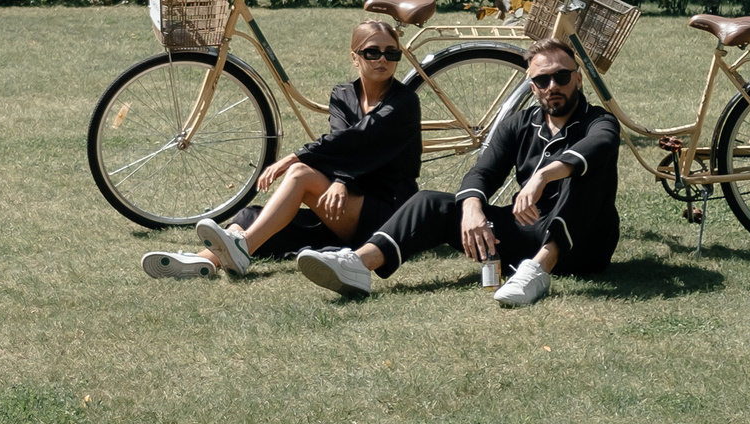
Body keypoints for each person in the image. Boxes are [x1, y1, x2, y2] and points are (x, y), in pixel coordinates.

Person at [293, 38, 618, 307]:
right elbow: (482, 172)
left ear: (578, 78)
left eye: (561, 77)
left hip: (584, 244)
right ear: (532, 87)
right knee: (432, 202)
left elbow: (597, 147)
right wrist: (472, 209)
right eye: (541, 80)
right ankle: (359, 264)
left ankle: (537, 271)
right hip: (526, 230)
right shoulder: (520, 123)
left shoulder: (599, 122)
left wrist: (543, 175)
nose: (552, 86)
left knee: (585, 173)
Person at [140, 18, 423, 279]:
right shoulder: (343, 94)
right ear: (355, 56)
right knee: (253, 217)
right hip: (345, 203)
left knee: (300, 173)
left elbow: (362, 139)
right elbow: (341, 140)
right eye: (373, 52)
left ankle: (243, 249)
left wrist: (297, 159)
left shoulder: (405, 102)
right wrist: (340, 179)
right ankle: (201, 262)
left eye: (392, 53)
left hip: (387, 212)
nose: (383, 59)